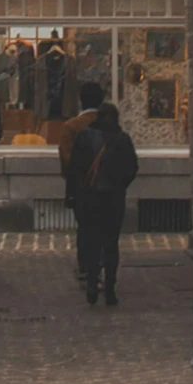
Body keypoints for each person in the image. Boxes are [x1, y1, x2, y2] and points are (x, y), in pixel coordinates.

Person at [66, 102, 139, 306]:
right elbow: (132, 168)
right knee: (110, 244)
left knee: (91, 241)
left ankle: (92, 282)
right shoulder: (122, 139)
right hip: (113, 199)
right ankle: (110, 287)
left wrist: (74, 194)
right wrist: (119, 185)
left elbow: (74, 169)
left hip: (90, 197)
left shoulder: (85, 137)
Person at [58, 79, 106, 284]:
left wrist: (73, 179)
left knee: (85, 227)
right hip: (107, 186)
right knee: (104, 227)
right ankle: (102, 263)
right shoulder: (110, 124)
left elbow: (66, 157)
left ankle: (86, 265)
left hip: (82, 186)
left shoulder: (71, 127)